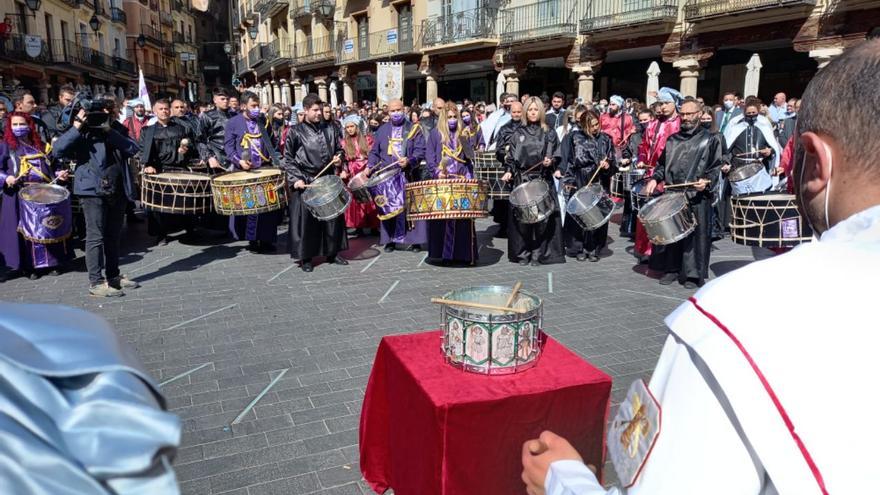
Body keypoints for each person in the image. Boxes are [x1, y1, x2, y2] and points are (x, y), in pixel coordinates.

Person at [524, 40, 880, 495]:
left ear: (815, 159)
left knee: (695, 250)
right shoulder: (669, 138)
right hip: (674, 191)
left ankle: (689, 270)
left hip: (700, 202)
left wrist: (563, 479)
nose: (688, 121)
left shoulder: (740, 312)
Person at [51, 104, 141, 297]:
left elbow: (133, 148)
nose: (103, 116)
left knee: (113, 235)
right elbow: (57, 150)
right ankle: (96, 281)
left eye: (107, 111)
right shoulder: (80, 131)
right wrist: (77, 127)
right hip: (91, 189)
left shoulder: (116, 128)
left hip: (117, 187)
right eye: (98, 113)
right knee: (95, 236)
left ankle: (113, 275)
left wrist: (109, 131)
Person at [643, 99, 723, 288]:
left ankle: (692, 274)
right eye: (683, 114)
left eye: (690, 113)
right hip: (673, 194)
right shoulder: (672, 140)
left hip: (696, 195)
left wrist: (707, 180)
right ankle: (671, 269)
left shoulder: (710, 139)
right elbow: (662, 165)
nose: (686, 117)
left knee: (695, 237)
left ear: (698, 114)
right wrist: (655, 178)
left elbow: (715, 166)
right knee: (671, 234)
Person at [0, 112, 71, 281]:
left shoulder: (42, 145)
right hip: (20, 194)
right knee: (26, 232)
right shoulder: (5, 146)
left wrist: (60, 173)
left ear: (29, 125)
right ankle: (28, 266)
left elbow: (55, 164)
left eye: (21, 124)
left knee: (48, 227)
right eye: (14, 125)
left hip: (44, 193)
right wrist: (6, 178)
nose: (18, 128)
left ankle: (52, 263)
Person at [283, 94, 348, 272]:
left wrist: (338, 159)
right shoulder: (295, 131)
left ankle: (333, 253)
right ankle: (307, 257)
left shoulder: (331, 128)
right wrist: (296, 179)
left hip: (326, 178)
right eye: (315, 110)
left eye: (320, 110)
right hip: (306, 180)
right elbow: (288, 159)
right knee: (307, 222)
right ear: (305, 111)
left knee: (331, 219)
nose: (319, 113)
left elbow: (340, 150)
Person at [502, 96, 565, 265]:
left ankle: (538, 253)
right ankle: (523, 253)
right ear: (525, 112)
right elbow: (511, 158)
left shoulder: (549, 132)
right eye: (529, 109)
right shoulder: (518, 133)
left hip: (542, 179)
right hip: (522, 179)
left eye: (535, 109)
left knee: (542, 220)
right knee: (522, 220)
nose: (532, 112)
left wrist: (550, 162)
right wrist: (508, 171)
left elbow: (556, 155)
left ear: (541, 111)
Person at [366, 98, 427, 253]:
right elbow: (374, 151)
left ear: (404, 109)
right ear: (388, 112)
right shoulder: (382, 130)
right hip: (388, 175)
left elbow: (420, 151)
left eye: (398, 110)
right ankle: (391, 240)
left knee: (412, 208)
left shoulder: (414, 129)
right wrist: (370, 166)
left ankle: (415, 241)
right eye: (392, 111)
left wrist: (409, 161)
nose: (396, 113)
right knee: (388, 207)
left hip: (408, 174)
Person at [223, 91, 281, 252]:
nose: (256, 109)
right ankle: (252, 239)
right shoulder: (233, 122)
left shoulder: (263, 121)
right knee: (250, 205)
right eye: (253, 106)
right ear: (243, 107)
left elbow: (272, 143)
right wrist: (239, 161)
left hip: (264, 168)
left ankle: (267, 239)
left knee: (267, 207)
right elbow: (228, 147)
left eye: (257, 105)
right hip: (244, 171)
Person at [425, 102, 478, 265]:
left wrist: (470, 140)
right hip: (443, 182)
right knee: (444, 219)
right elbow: (430, 156)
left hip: (461, 181)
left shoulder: (463, 133)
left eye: (455, 117)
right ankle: (445, 255)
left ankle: (464, 256)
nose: (453, 120)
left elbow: (470, 157)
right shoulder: (435, 134)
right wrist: (437, 172)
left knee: (463, 220)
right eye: (449, 117)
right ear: (443, 118)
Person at [140, 99, 198, 246]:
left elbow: (191, 148)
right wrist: (147, 165)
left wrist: (185, 150)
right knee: (159, 206)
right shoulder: (148, 131)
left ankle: (190, 230)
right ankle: (161, 234)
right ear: (154, 111)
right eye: (161, 109)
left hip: (179, 168)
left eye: (166, 109)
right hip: (159, 170)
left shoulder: (180, 129)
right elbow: (142, 151)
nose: (164, 111)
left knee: (186, 201)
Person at [634, 88, 681, 263]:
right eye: (660, 103)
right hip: (651, 173)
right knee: (647, 213)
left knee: (665, 217)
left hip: (669, 177)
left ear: (674, 103)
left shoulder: (680, 124)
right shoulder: (652, 124)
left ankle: (664, 252)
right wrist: (641, 159)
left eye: (666, 103)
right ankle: (645, 249)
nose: (662, 107)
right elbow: (643, 146)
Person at [563, 110, 616, 262]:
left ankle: (593, 247)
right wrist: (569, 180)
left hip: (599, 179)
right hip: (580, 178)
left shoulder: (606, 139)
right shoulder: (575, 137)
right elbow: (571, 162)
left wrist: (608, 165)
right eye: (591, 125)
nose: (595, 128)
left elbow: (613, 162)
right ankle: (578, 247)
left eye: (596, 124)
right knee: (580, 214)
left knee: (597, 215)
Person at [340, 114, 378, 235]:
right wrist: (344, 170)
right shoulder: (343, 142)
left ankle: (374, 226)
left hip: (366, 172)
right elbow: (343, 161)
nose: (350, 129)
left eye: (352, 126)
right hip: (352, 173)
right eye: (347, 127)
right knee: (355, 201)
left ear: (357, 126)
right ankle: (359, 226)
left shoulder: (368, 139)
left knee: (370, 199)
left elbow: (374, 155)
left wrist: (369, 168)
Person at [492, 100, 524, 238]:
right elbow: (498, 149)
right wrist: (505, 155)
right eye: (514, 112)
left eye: (519, 112)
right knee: (505, 199)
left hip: (524, 168)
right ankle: (504, 226)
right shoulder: (504, 128)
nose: (516, 114)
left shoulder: (527, 127)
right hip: (508, 168)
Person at [619, 110, 653, 239]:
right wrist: (626, 157)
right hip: (635, 170)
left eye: (646, 120)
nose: (644, 123)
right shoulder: (634, 136)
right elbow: (627, 150)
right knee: (631, 198)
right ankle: (630, 228)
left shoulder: (656, 134)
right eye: (641, 120)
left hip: (650, 171)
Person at [198, 88, 234, 173]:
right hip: (217, 159)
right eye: (222, 99)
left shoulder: (234, 115)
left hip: (234, 158)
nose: (225, 101)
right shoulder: (207, 116)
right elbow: (200, 140)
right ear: (215, 100)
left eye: (227, 99)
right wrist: (209, 157)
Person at [599, 95, 636, 160]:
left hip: (620, 150)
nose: (610, 106)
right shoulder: (603, 117)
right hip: (605, 149)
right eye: (610, 104)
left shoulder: (627, 118)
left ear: (619, 106)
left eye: (613, 104)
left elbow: (631, 133)